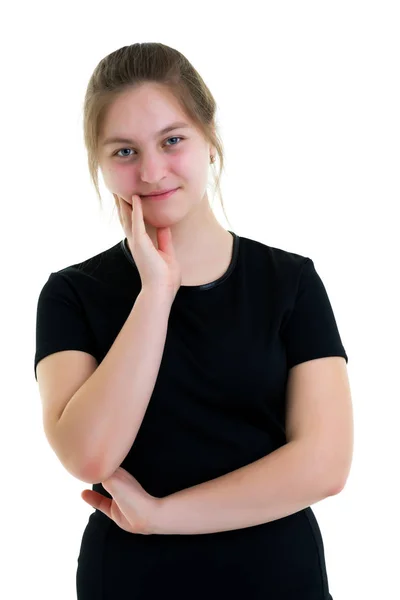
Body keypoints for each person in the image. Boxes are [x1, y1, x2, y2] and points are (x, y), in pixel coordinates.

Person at [34, 42, 351, 599]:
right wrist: (157, 291)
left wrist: (162, 515)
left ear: (210, 142)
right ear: (100, 165)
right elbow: (89, 454)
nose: (152, 172)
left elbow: (325, 464)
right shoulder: (71, 295)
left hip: (277, 578)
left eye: (172, 140)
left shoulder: (290, 281)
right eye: (124, 151)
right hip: (131, 581)